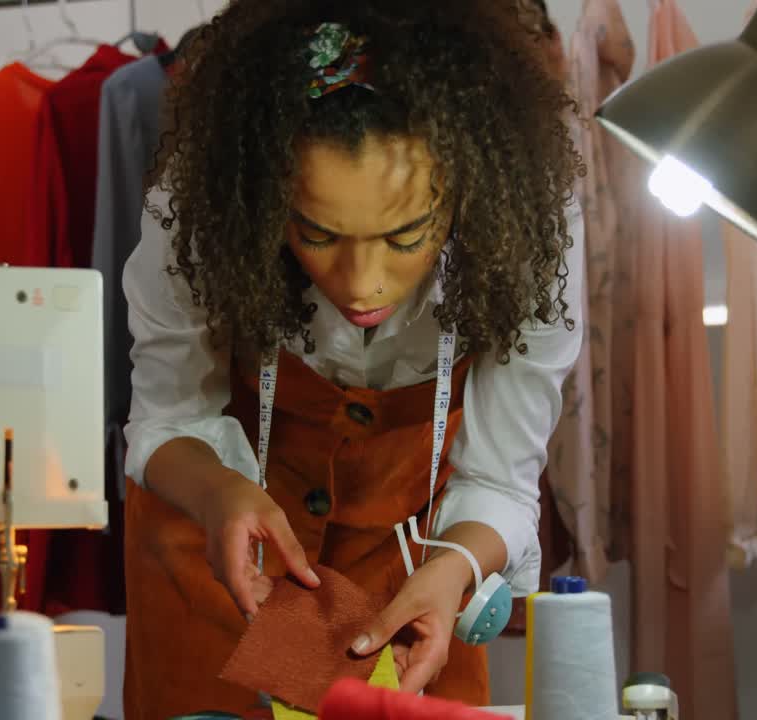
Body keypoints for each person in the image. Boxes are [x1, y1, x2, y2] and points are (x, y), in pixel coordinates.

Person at [121, 1, 585, 716]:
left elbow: (502, 476)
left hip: (412, 584)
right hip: (219, 557)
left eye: (406, 238)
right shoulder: (198, 207)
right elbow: (165, 417)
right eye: (316, 234)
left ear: (467, 194)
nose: (362, 283)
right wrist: (219, 496)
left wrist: (457, 565)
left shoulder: (529, 232)